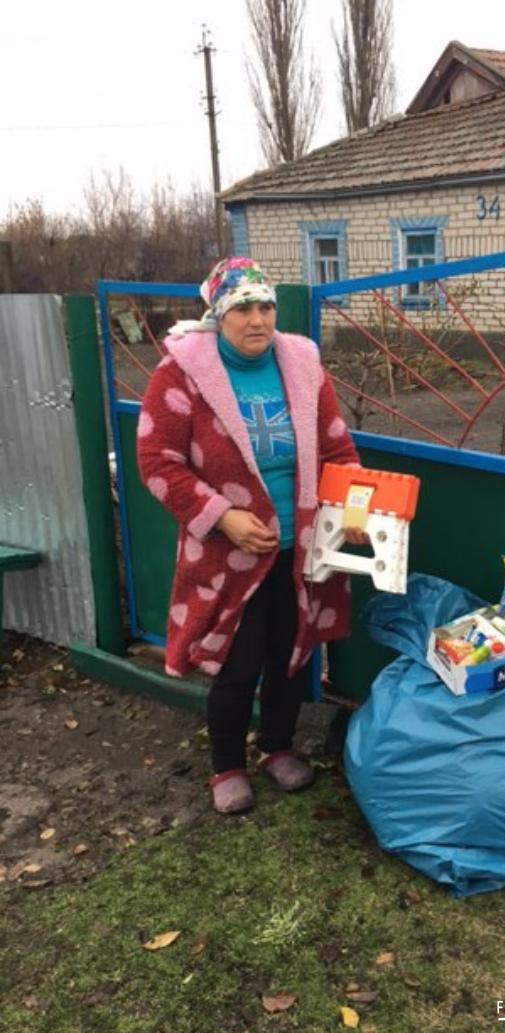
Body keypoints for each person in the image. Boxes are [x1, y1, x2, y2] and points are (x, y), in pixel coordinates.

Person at [137, 256, 362, 814]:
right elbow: (157, 461)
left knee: (292, 655)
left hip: (299, 548)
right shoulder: (182, 374)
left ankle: (276, 747)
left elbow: (337, 448)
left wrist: (354, 506)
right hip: (228, 556)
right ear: (219, 314)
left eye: (265, 306)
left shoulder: (302, 365)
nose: (257, 319)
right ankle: (227, 766)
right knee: (238, 666)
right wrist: (223, 517)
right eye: (242, 308)